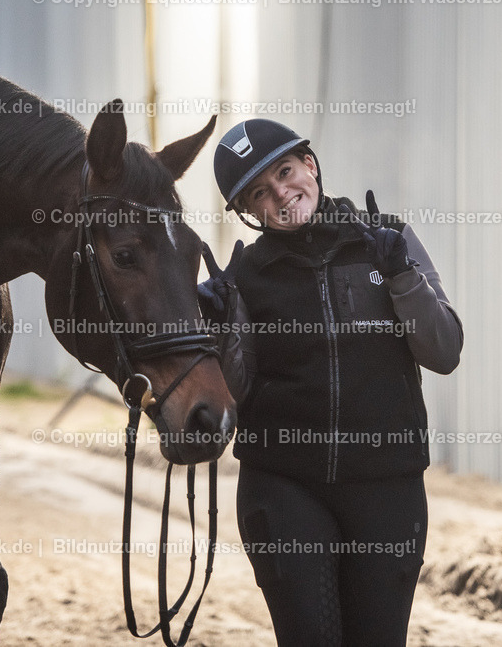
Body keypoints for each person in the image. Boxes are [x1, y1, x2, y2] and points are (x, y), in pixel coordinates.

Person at [199, 118, 463, 646]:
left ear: (310, 165)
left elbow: (444, 351)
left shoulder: (389, 239)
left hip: (387, 484)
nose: (281, 192)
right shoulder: (245, 278)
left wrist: (402, 278)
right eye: (259, 192)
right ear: (249, 212)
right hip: (283, 485)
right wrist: (221, 327)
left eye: (286, 171)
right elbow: (233, 395)